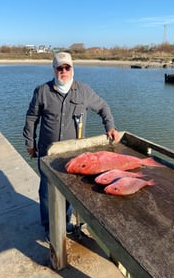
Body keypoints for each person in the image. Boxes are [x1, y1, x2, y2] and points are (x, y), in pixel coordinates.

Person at [23, 51, 119, 242]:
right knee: (46, 191)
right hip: (47, 152)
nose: (63, 71)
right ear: (54, 70)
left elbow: (103, 107)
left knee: (69, 190)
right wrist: (30, 143)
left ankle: (65, 221)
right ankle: (49, 228)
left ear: (72, 69)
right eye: (60, 68)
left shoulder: (83, 91)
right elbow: (31, 118)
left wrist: (110, 127)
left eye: (67, 67)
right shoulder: (42, 91)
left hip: (73, 154)